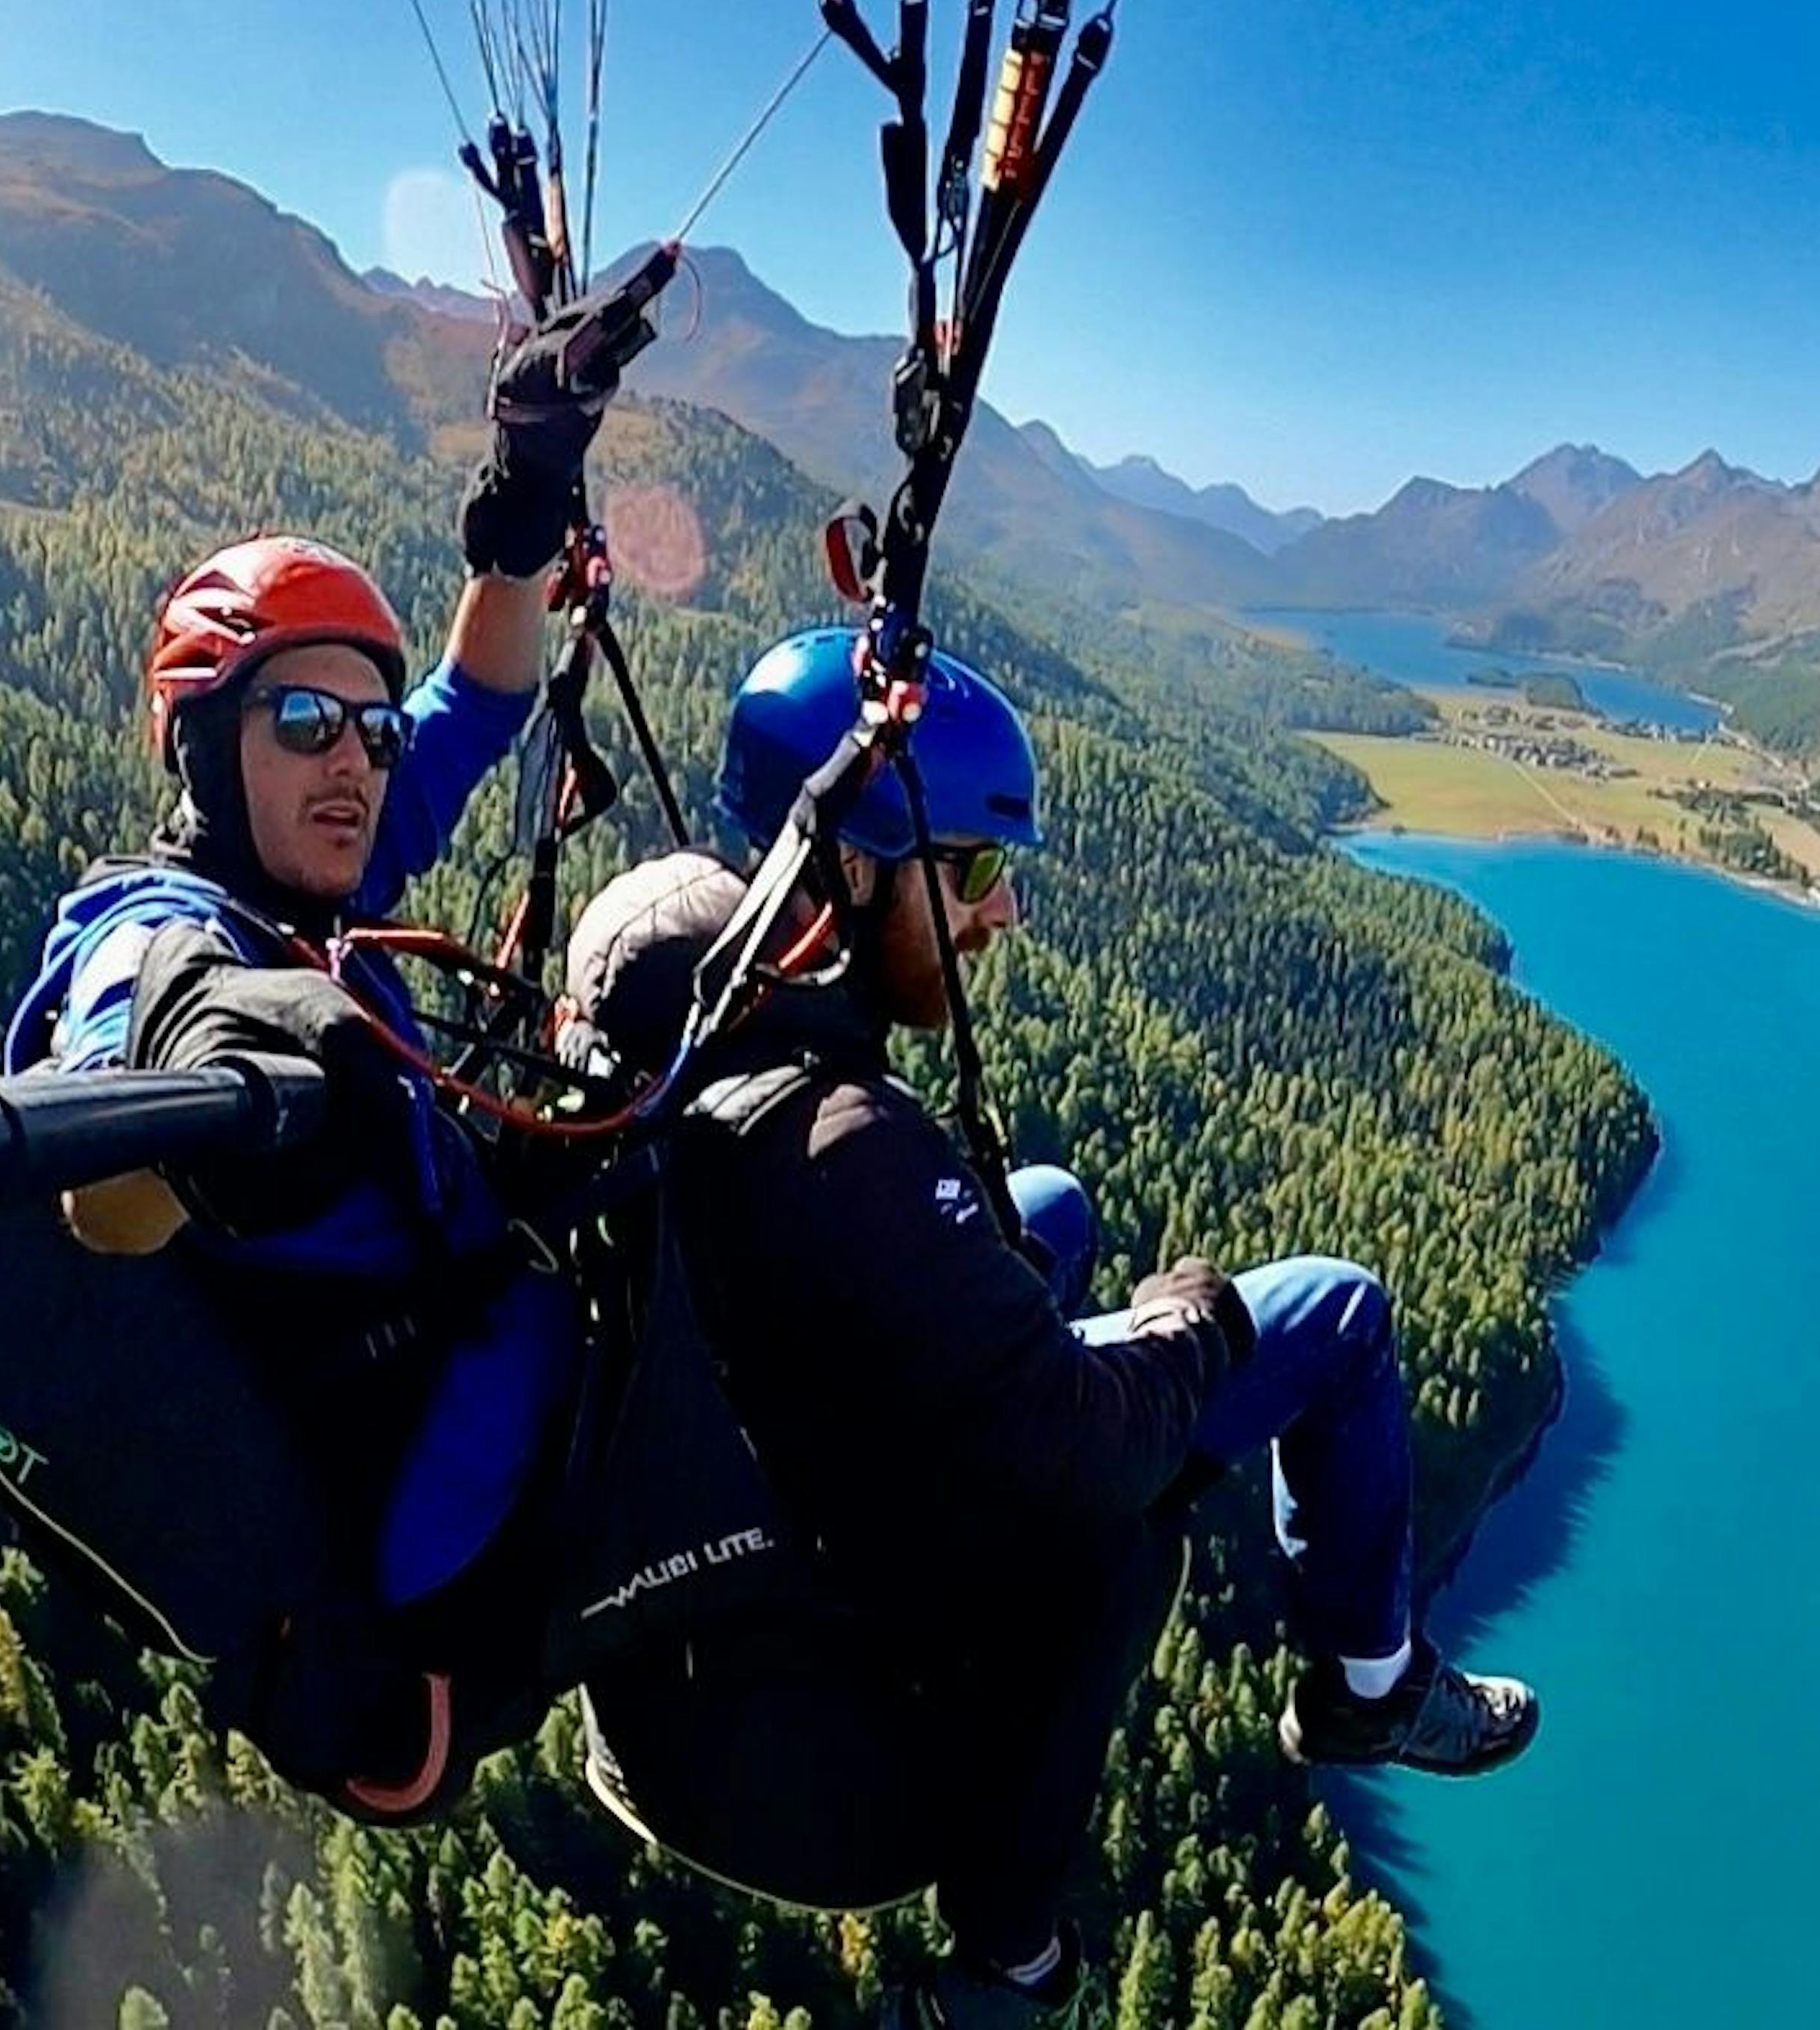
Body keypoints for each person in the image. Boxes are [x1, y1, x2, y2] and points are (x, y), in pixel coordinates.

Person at [560, 628, 1540, 2027]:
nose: (997, 913)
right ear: (843, 870)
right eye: (968, 868)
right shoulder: (849, 1152)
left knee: (1054, 1204)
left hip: (708, 1637)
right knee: (1334, 1313)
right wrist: (1187, 1322)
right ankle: (1365, 1686)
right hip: (844, 1734)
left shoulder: (676, 1010)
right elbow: (1086, 1449)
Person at [0, 289, 629, 1804]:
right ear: (206, 748)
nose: (351, 756)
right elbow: (99, 1182)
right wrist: (213, 1055)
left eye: (363, 729)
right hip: (424, 1505)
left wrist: (526, 503)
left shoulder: (318, 872)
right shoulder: (155, 930)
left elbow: (474, 703)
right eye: (300, 720)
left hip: (473, 1373)